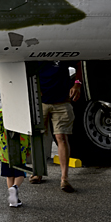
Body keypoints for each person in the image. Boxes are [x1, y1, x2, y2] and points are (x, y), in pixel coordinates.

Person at [30, 61, 82, 192]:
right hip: (41, 102)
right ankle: (38, 172)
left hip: (61, 102)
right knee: (38, 136)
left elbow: (79, 64)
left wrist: (77, 84)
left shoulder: (61, 53)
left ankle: (64, 178)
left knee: (61, 137)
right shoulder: (37, 54)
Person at [0, 109, 30, 207]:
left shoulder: (1, 112)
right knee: (20, 173)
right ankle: (15, 187)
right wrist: (28, 148)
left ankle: (12, 199)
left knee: (9, 175)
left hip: (5, 152)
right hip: (20, 149)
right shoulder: (24, 112)